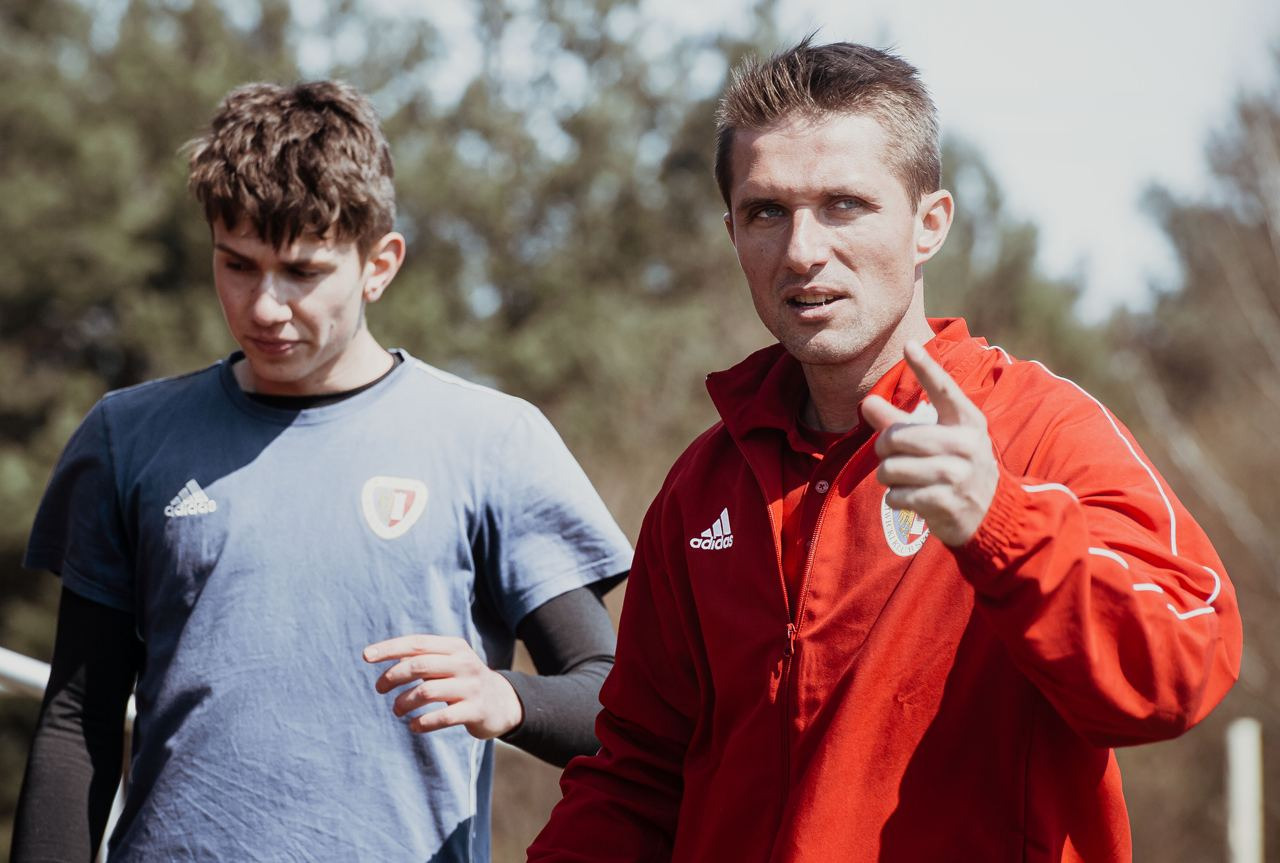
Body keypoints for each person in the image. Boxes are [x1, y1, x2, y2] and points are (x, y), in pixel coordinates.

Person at [528, 39, 1241, 862]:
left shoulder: (1041, 430)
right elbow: (637, 778)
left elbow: (1178, 672)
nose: (802, 250)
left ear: (929, 224)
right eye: (766, 212)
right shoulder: (703, 485)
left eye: (844, 205)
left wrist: (1001, 524)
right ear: (732, 232)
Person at [12, 80, 632, 862]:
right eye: (238, 264)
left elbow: (615, 699)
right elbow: (78, 719)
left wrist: (506, 694)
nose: (265, 306)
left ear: (380, 264)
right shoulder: (127, 437)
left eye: (303, 272)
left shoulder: (492, 441)